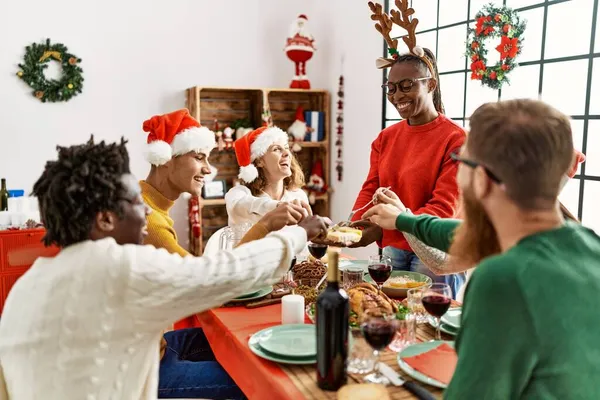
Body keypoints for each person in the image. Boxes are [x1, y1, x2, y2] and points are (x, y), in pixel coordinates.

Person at [0, 137, 328, 400]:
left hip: (156, 348)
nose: (146, 214)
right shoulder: (117, 266)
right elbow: (218, 275)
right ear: (104, 219)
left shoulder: (30, 283)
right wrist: (299, 234)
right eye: (135, 203)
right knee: (258, 379)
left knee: (239, 343)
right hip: (151, 373)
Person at [363, 99, 600, 398]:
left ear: (483, 179)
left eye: (461, 161)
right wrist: (404, 220)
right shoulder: (586, 242)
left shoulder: (504, 278)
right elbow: (465, 234)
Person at [139, 109, 314, 397]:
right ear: (166, 159)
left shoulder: (148, 204)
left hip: (158, 345)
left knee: (247, 343)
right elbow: (208, 283)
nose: (209, 169)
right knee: (260, 376)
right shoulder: (149, 220)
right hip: (146, 368)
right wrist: (269, 222)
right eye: (199, 157)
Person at [349, 46, 466, 297]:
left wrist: (388, 224)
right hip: (392, 251)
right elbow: (371, 187)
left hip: (434, 251)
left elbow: (443, 208)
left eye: (406, 85)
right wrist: (355, 223)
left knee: (427, 327)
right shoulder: (386, 138)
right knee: (394, 324)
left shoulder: (456, 139)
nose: (396, 95)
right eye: (390, 88)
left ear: (431, 84)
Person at [225, 126, 311, 226]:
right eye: (276, 149)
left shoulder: (299, 195)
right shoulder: (238, 194)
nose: (287, 153)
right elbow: (241, 205)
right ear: (259, 161)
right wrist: (278, 206)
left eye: (287, 148)